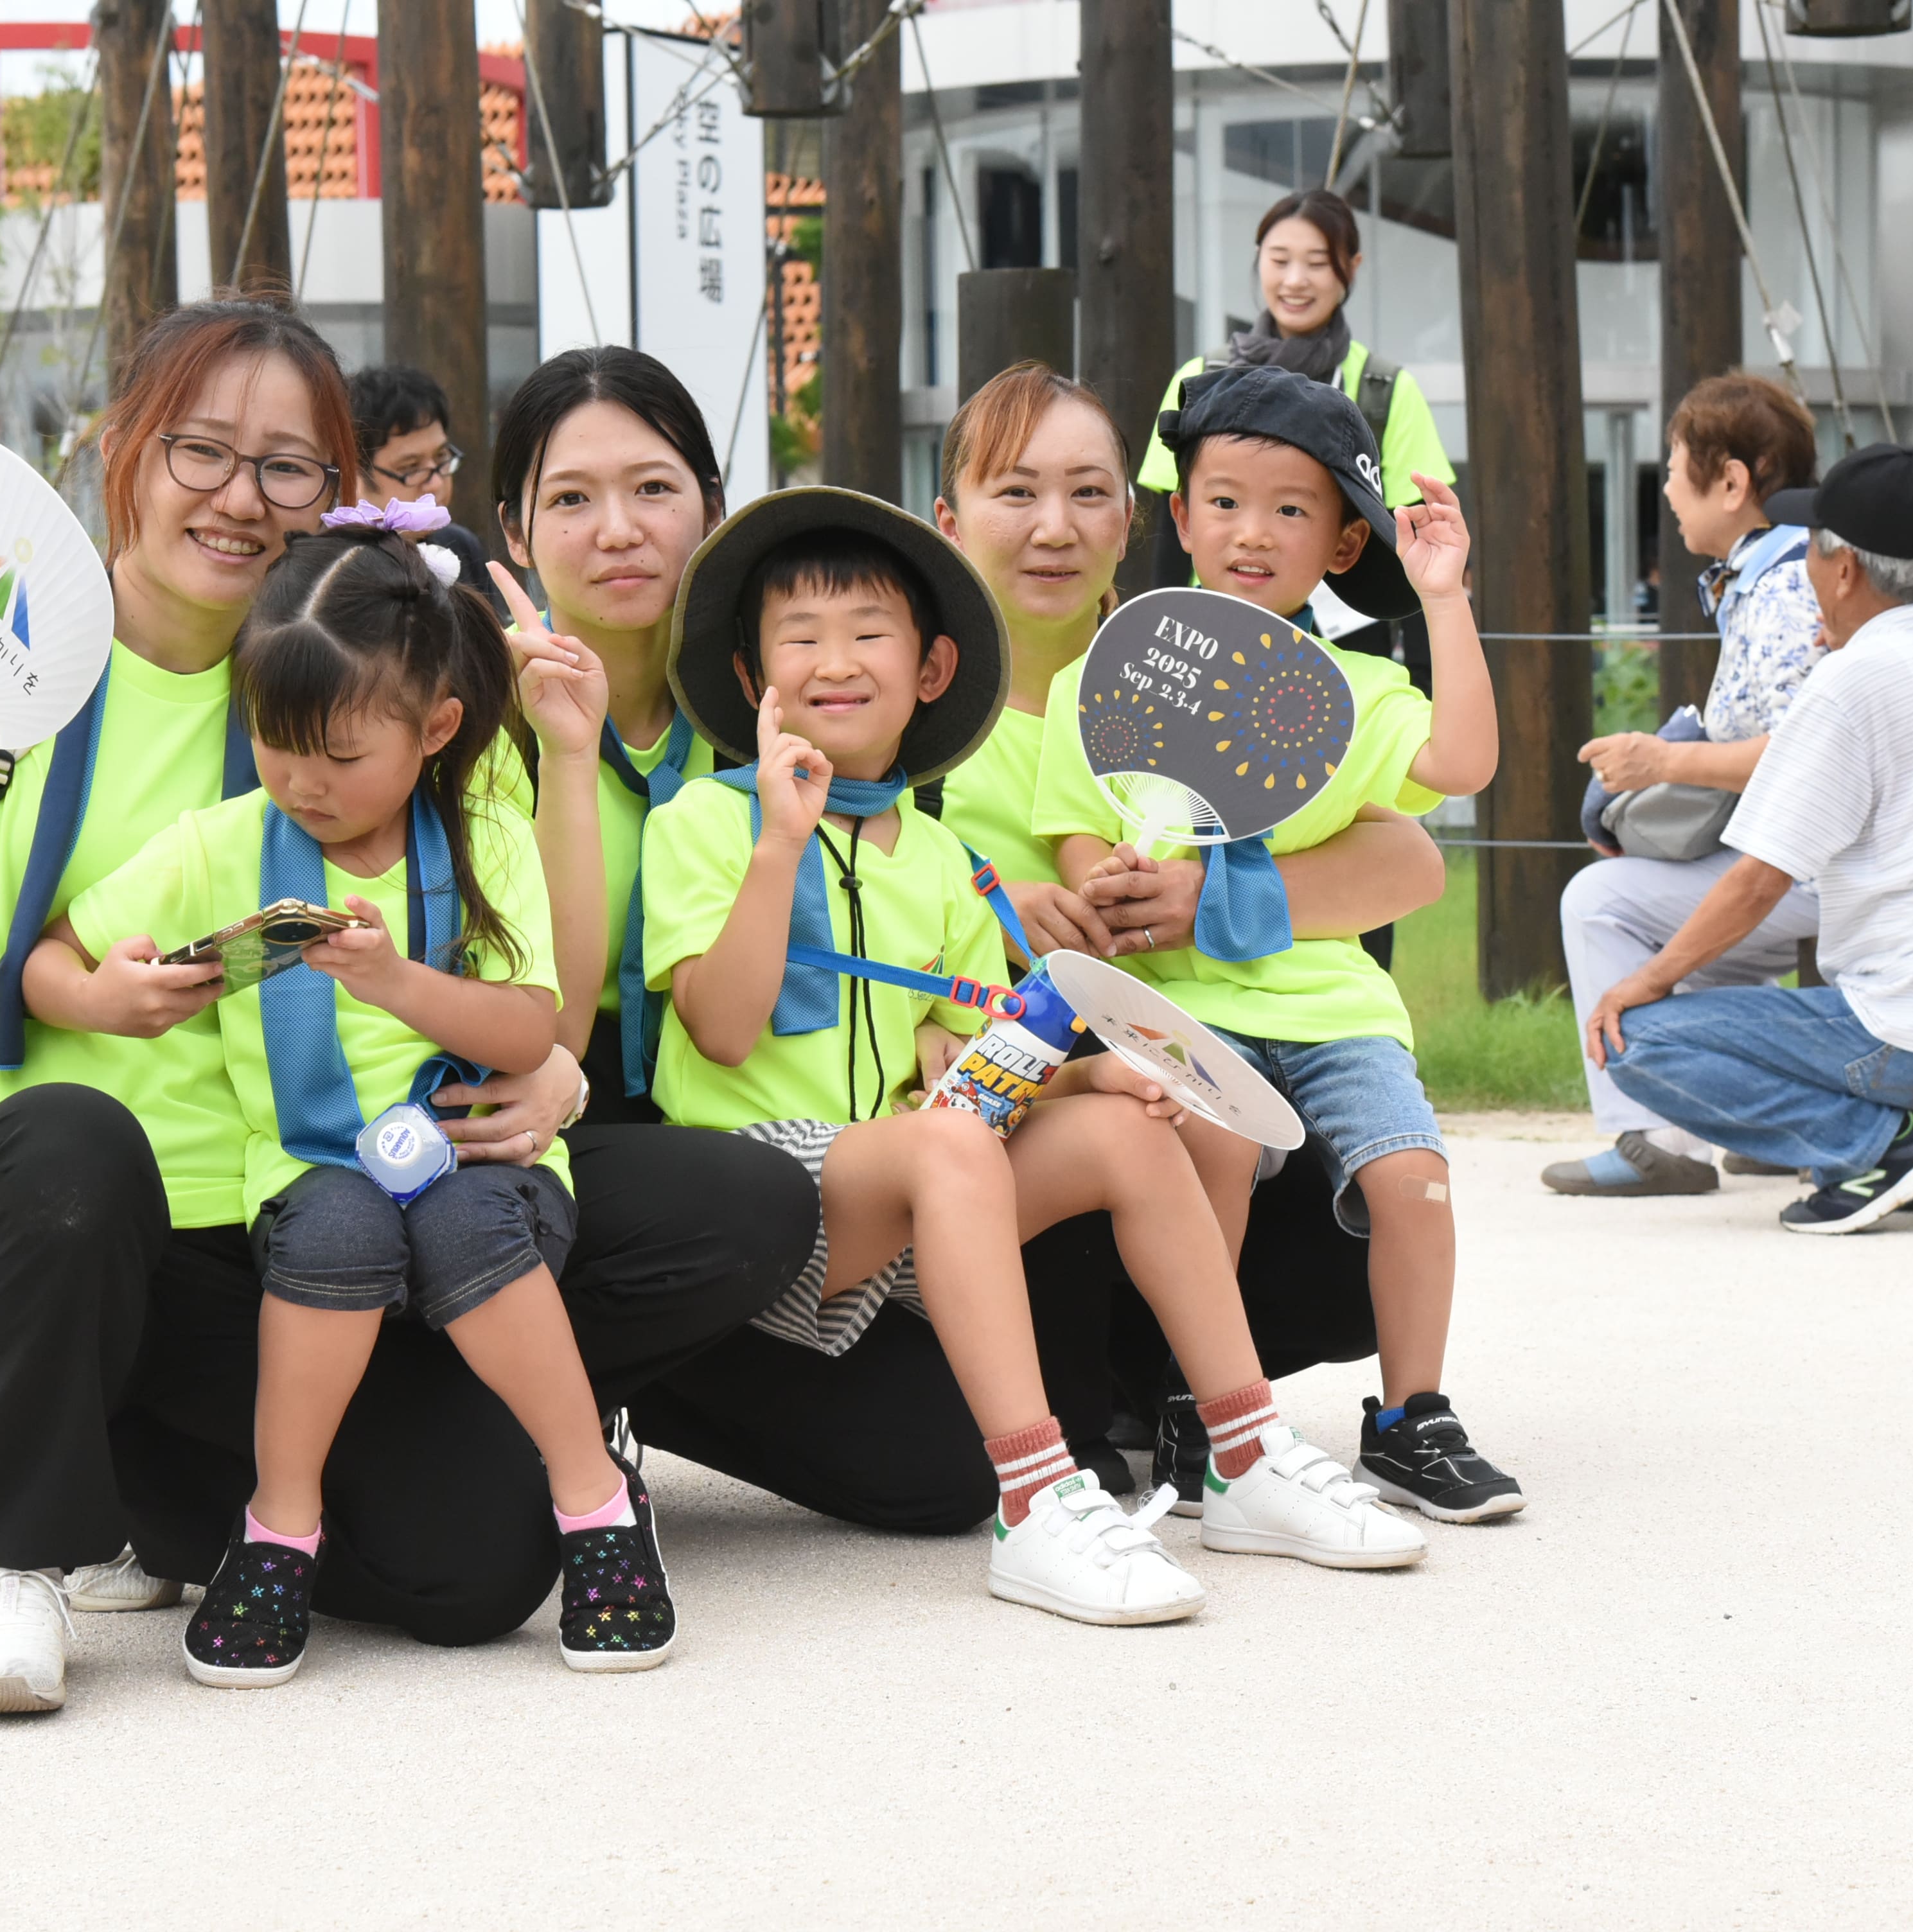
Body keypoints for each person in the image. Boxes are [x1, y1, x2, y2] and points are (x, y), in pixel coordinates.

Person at [0, 297, 809, 1714]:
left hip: (274, 1234)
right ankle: (16, 1552)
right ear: (122, 447)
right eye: (202, 449)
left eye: (290, 467)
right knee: (74, 1143)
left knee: (488, 1550)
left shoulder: (377, 674)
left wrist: (551, 1063)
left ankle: (179, 1477)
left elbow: (531, 980)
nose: (241, 498)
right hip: (1, 1250)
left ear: (344, 493)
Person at [642, 487, 1422, 1624]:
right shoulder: (706, 825)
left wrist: (1092, 1071)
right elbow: (720, 1025)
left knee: (1122, 1125)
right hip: (762, 1192)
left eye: (868, 633)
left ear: (932, 669)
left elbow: (965, 1063)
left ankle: (1239, 1450)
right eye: (797, 638)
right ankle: (1034, 1498)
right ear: (755, 678)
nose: (832, 660)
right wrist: (779, 839)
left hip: (908, 1184)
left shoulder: (950, 858)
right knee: (952, 1148)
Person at [26, 519, 673, 1683]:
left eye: (336, 751)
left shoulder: (482, 838)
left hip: (484, 1156)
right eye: (274, 743)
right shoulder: (223, 844)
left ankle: (596, 1506)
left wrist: (397, 981)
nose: (302, 781)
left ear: (434, 730)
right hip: (314, 1165)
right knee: (331, 1228)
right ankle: (280, 1527)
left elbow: (534, 1023)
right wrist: (103, 996)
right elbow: (50, 958)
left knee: (467, 1222)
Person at [482, 346, 1011, 1539]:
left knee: (938, 1472)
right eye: (570, 498)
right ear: (513, 531)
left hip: (732, 1149)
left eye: (654, 489)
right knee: (744, 1190)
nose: (617, 529)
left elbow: (912, 897)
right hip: (540, 1135)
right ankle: (549, 1400)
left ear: (712, 515)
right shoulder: (464, 714)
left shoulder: (793, 717)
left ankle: (632, 1381)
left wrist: (936, 1008)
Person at [928, 360, 1447, 1488]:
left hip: (1192, 1050)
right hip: (1016, 1082)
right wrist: (985, 911)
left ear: (1134, 517)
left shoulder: (1214, 677)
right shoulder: (893, 704)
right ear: (948, 517)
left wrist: (1211, 908)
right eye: (1014, 493)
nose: (1053, 527)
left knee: (1359, 1205)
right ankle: (1121, 1393)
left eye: (1087, 492)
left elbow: (1407, 859)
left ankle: (1189, 1398)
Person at [1036, 364, 1529, 1525]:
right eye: (1223, 502)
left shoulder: (1355, 687)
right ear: (1180, 516)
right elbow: (1072, 836)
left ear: (1346, 540)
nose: (1252, 533)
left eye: (1292, 509)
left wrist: (1445, 595)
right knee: (1209, 1158)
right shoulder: (1102, 676)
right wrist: (1099, 883)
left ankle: (1413, 1414)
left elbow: (1461, 762)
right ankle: (1212, 1408)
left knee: (1413, 1182)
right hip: (1184, 1003)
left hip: (1333, 1004)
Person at [1583, 444, 1913, 1235]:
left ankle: (1876, 1147)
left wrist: (1647, 981)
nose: (1803, 565)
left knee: (1635, 1043)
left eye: (1809, 547)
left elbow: (1759, 881)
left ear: (1843, 571)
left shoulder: (1851, 680)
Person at [1542, 373, 1828, 1197]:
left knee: (1599, 903)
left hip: (1811, 870)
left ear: (1733, 481)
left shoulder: (1776, 591)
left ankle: (1654, 1137)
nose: (1666, 487)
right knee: (1691, 947)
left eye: (1675, 467)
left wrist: (1660, 763)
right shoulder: (1779, 575)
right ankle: (1772, 1124)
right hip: (1818, 863)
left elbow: (1802, 757)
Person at [1134, 188, 1453, 662]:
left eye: (1318, 263)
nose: (1296, 280)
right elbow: (1168, 545)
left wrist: (1427, 681)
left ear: (1353, 266)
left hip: (1351, 641)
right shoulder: (1201, 379)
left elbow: (1412, 539)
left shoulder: (1384, 388)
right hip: (1215, 631)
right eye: (1279, 260)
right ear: (1258, 261)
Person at [344, 362, 503, 615]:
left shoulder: (462, 546)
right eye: (412, 468)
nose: (437, 483)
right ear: (356, 474)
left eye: (441, 458)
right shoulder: (338, 564)